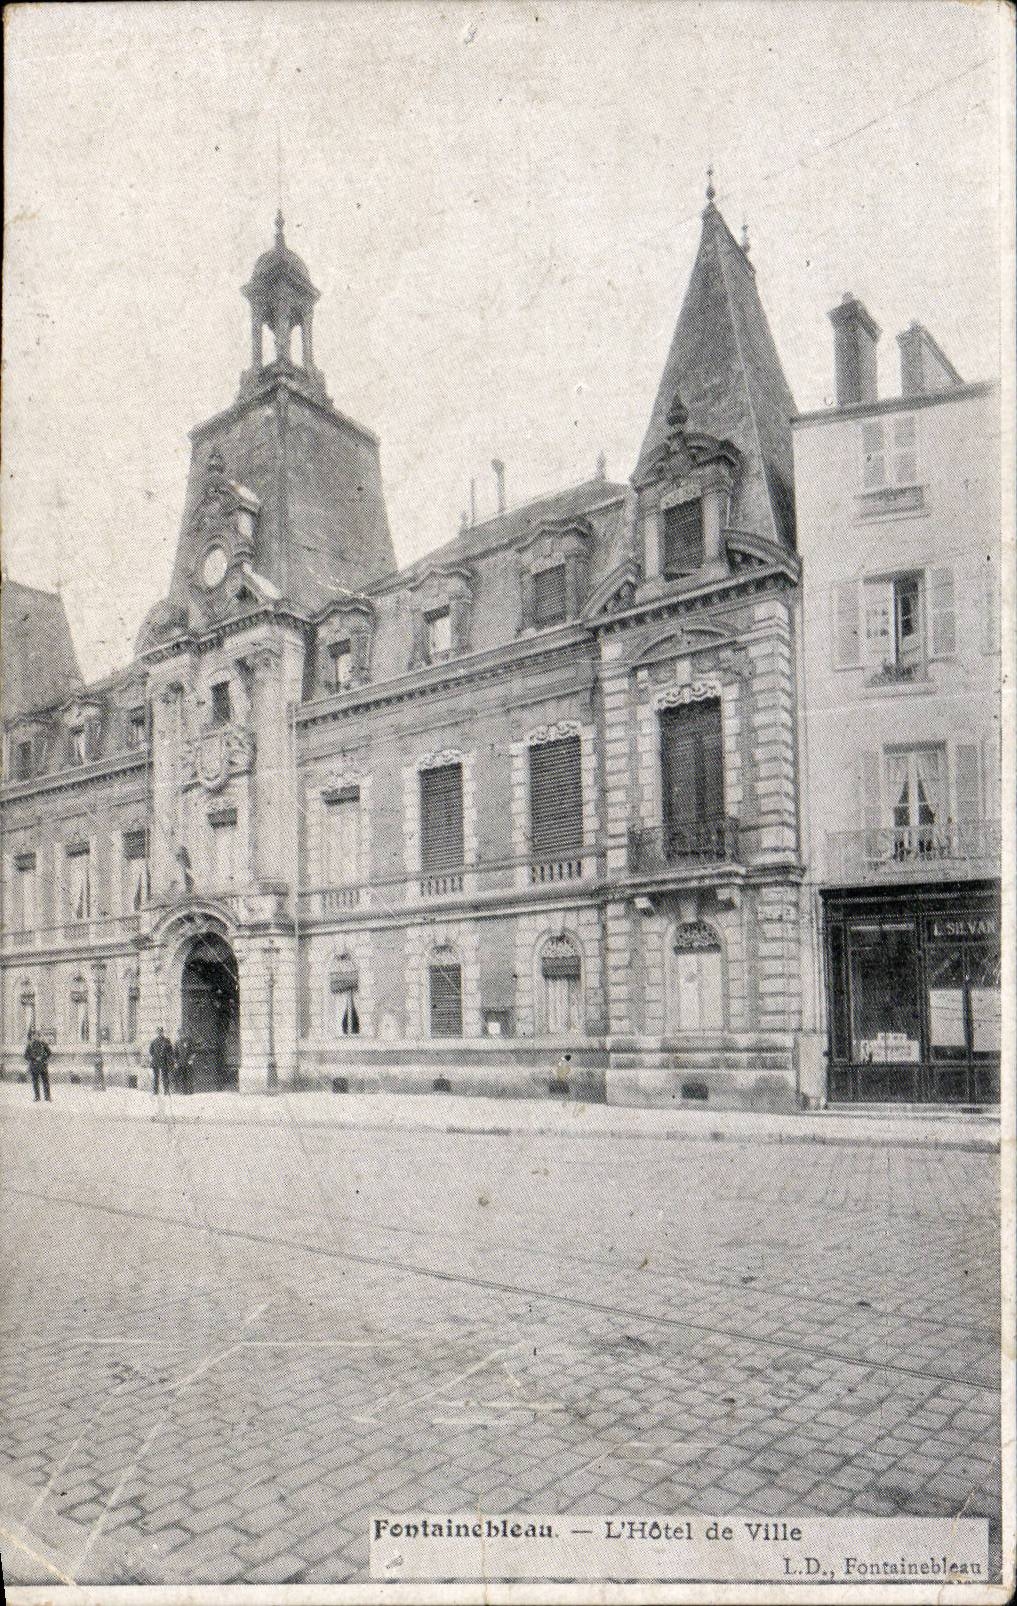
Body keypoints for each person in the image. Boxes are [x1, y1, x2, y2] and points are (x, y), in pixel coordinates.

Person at [24, 1029, 52, 1102]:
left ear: (39, 1036)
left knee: (45, 1082)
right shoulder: (30, 1045)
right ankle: (37, 1097)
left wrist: (43, 1058)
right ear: (32, 1036)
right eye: (34, 1035)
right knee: (35, 1082)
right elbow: (26, 1056)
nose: (35, 1037)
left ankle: (47, 1097)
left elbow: (49, 1053)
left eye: (37, 1035)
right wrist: (34, 1058)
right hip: (34, 1066)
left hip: (43, 1066)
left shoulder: (43, 1044)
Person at [149, 1027, 174, 1096]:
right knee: (156, 1077)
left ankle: (166, 1091)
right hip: (156, 1061)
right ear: (157, 1033)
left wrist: (167, 1057)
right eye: (158, 1032)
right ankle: (155, 1091)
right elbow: (151, 1051)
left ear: (163, 1032)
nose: (160, 1033)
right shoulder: (154, 1041)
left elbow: (170, 1051)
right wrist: (155, 1056)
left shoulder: (167, 1041)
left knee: (165, 1076)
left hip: (164, 1061)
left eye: (161, 1032)